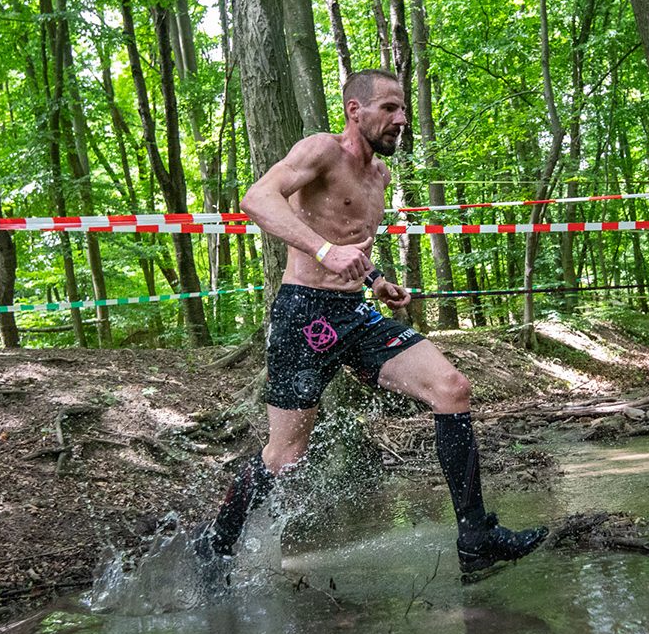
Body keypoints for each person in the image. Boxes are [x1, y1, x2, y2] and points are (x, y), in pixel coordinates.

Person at [199, 69, 547, 577]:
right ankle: (216, 548)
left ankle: (476, 537)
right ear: (354, 111)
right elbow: (257, 199)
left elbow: (352, 245)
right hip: (304, 314)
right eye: (388, 108)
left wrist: (379, 280)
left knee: (452, 389)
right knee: (286, 454)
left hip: (357, 312)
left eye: (403, 109)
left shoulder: (380, 176)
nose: (401, 119)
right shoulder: (321, 150)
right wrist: (323, 250)